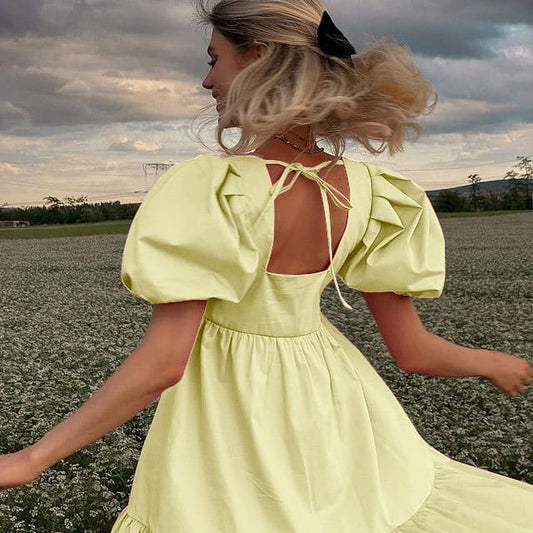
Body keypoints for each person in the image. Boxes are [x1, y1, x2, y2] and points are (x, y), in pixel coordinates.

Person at [1, 0, 532, 531]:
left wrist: (32, 459)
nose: (208, 81)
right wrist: (492, 362)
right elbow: (413, 352)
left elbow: (163, 365)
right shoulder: (376, 194)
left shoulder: (214, 189)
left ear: (258, 58)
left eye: (214, 59)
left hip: (231, 415)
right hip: (335, 405)